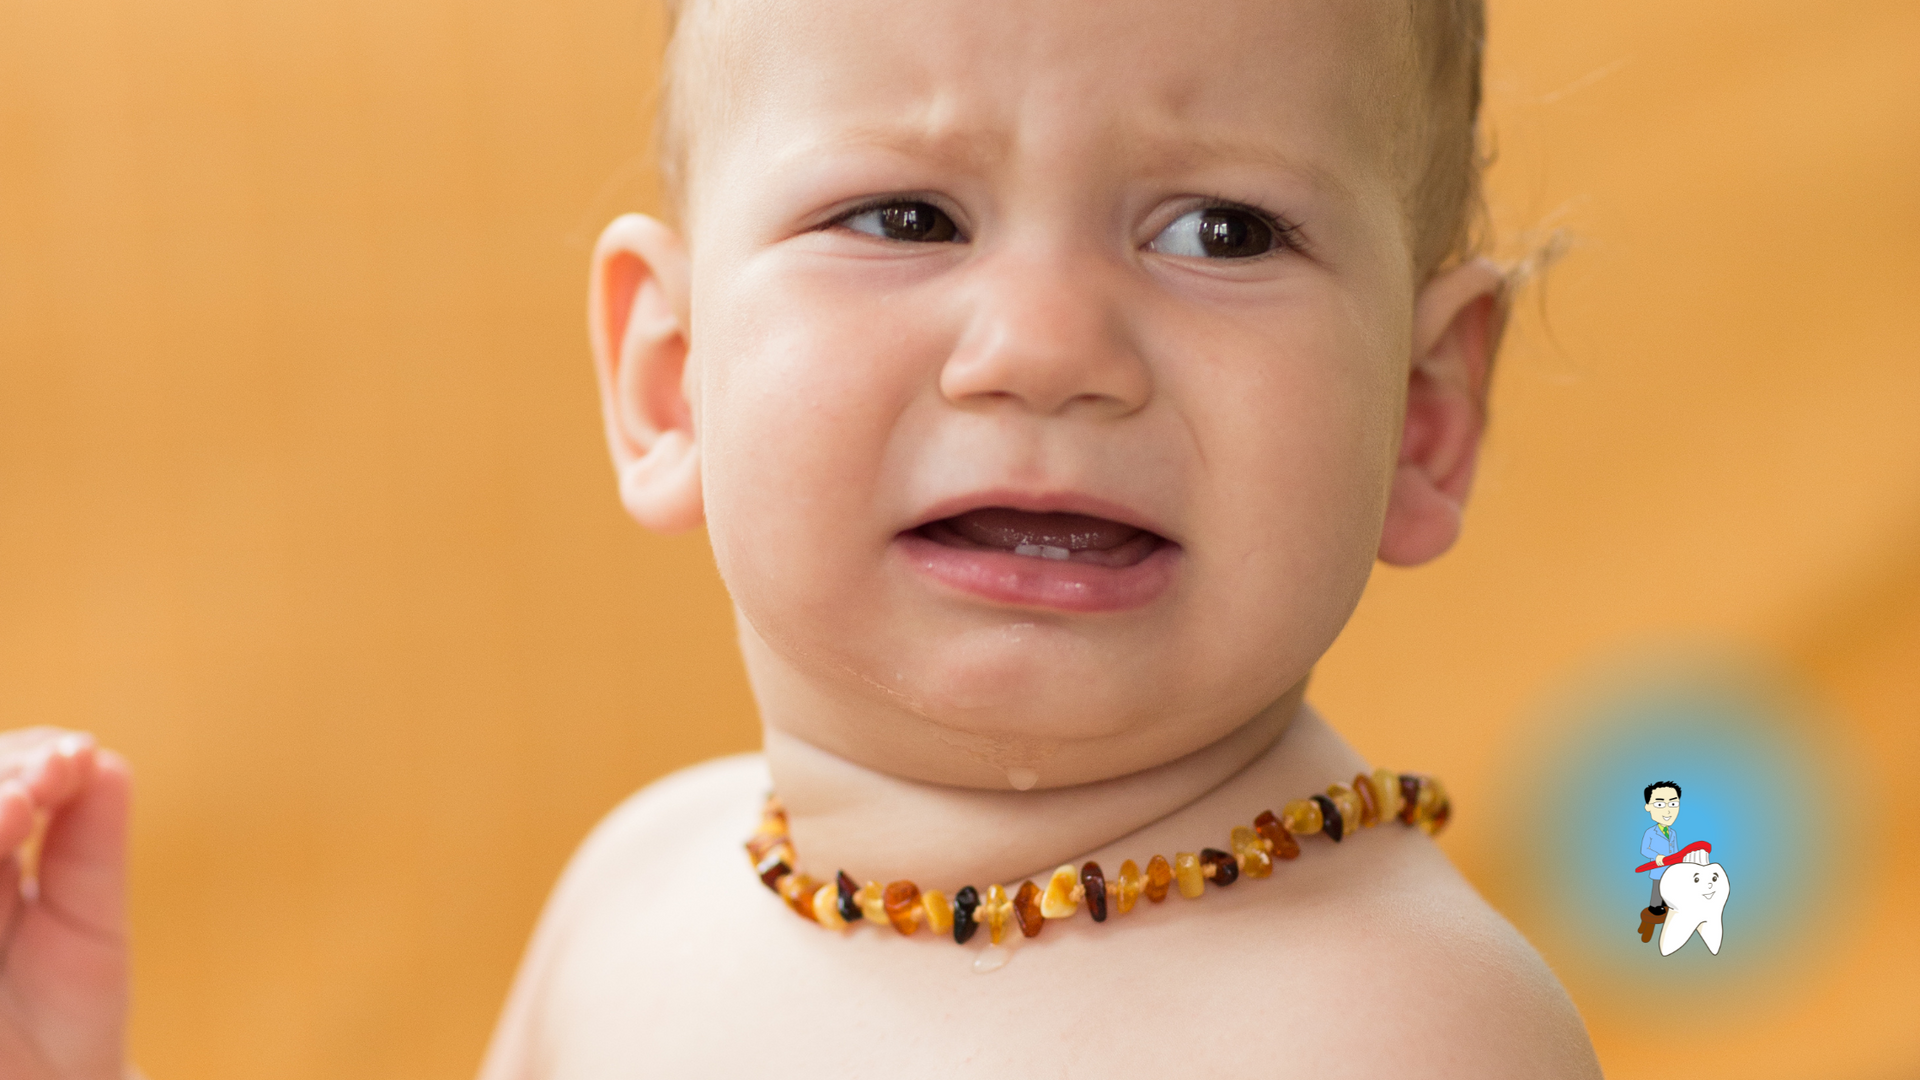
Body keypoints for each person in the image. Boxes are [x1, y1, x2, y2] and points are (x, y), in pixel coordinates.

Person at [0, 0, 1606, 1074]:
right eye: (907, 218)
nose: (1046, 345)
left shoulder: (1386, 1029)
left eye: (1221, 230)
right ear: (671, 379)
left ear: (1421, 416)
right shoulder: (634, 895)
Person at [1638, 781, 1684, 940]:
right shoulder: (1650, 833)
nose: (1667, 810)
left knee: (1669, 888)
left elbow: (1676, 850)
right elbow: (1644, 849)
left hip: (1671, 869)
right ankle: (1655, 907)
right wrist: (1656, 857)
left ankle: (1667, 904)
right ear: (1648, 807)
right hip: (1658, 869)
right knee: (1657, 890)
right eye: (1659, 804)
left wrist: (1678, 861)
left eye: (1673, 803)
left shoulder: (1673, 833)